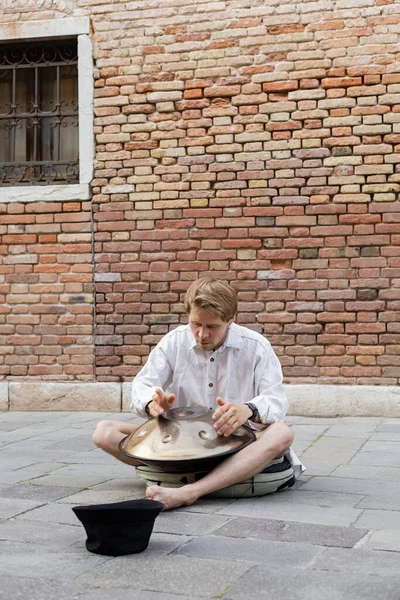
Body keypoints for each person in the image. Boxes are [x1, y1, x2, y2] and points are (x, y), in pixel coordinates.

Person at [93, 277, 304, 509]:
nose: (202, 335)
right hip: (184, 444)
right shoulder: (173, 342)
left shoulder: (256, 347)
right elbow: (143, 385)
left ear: (231, 319)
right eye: (196, 324)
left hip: (241, 442)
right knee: (104, 431)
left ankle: (190, 491)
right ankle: (218, 476)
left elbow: (276, 402)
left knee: (282, 433)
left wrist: (248, 409)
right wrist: (152, 404)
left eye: (212, 327)